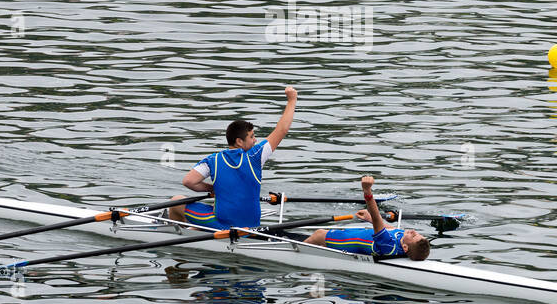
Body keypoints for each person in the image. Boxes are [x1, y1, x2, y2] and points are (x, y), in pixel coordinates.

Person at [170, 86, 297, 229]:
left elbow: (189, 181)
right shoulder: (256, 156)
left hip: (222, 225)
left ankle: (178, 231)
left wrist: (213, 189)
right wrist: (292, 100)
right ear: (239, 141)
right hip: (252, 226)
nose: (255, 140)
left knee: (176, 201)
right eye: (252, 137)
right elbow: (282, 129)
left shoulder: (213, 160)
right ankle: (196, 229)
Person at [304, 176, 431, 261]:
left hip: (345, 242)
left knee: (318, 234)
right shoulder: (403, 239)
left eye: (414, 236)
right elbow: (390, 229)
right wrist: (369, 218)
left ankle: (295, 252)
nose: (414, 231)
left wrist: (367, 192)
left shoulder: (388, 246)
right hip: (355, 237)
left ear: (405, 248)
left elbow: (377, 220)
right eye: (418, 234)